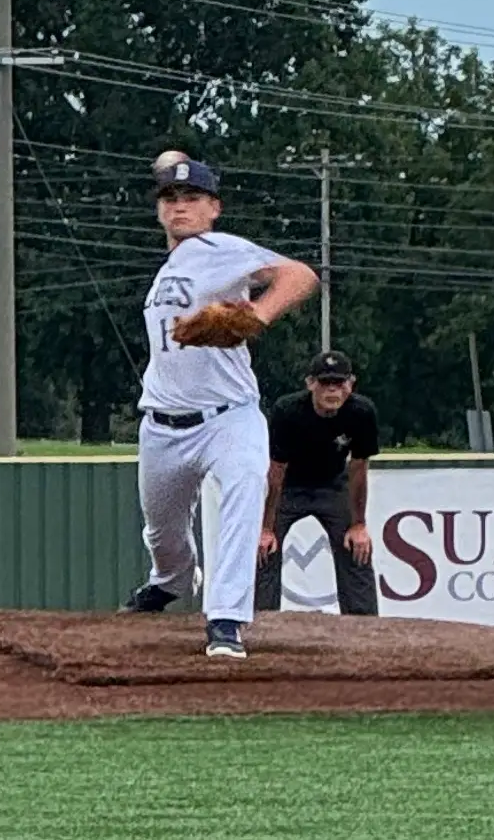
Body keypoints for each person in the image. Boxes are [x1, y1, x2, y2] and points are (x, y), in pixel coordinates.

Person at [119, 156, 319, 659]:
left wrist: (259, 313)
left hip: (229, 416)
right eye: (170, 199)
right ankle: (171, 580)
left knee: (243, 497)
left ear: (214, 209)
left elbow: (300, 275)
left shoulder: (219, 248)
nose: (180, 206)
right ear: (159, 211)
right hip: (162, 423)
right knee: (162, 532)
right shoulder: (168, 269)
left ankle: (226, 619)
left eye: (192, 198)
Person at [253, 350, 380, 615]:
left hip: (332, 485)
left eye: (339, 382)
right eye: (325, 382)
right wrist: (266, 527)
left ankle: (364, 624)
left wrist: (358, 524)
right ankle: (260, 619)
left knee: (356, 544)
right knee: (263, 547)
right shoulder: (287, 411)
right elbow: (276, 470)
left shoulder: (361, 412)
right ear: (310, 383)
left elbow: (358, 468)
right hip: (288, 487)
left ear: (350, 384)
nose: (332, 390)